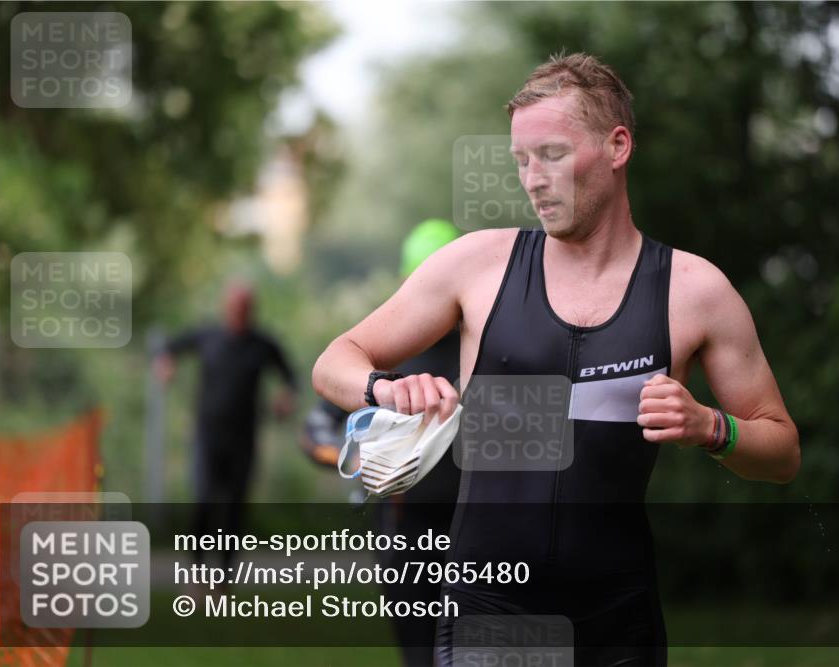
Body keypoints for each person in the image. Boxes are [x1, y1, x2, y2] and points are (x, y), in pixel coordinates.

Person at [311, 53, 800, 666]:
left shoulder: (694, 292)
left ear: (617, 146)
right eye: (521, 160)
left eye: (552, 155)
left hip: (618, 624)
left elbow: (781, 452)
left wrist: (712, 427)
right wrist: (386, 389)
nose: (532, 179)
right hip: (487, 614)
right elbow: (334, 361)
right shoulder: (477, 266)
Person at [301, 219, 462, 666]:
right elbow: (314, 428)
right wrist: (353, 458)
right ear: (406, 282)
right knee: (418, 653)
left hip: (478, 527)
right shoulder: (386, 350)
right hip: (404, 527)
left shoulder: (485, 347)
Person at [154, 280, 296, 570]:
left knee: (235, 506)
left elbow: (289, 377)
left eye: (245, 308)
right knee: (204, 499)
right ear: (225, 308)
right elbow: (168, 348)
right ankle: (196, 569)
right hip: (208, 435)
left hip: (244, 437)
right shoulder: (209, 336)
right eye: (234, 307)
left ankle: (223, 575)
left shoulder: (262, 344)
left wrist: (285, 397)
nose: (239, 313)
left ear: (252, 310)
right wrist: (165, 364)